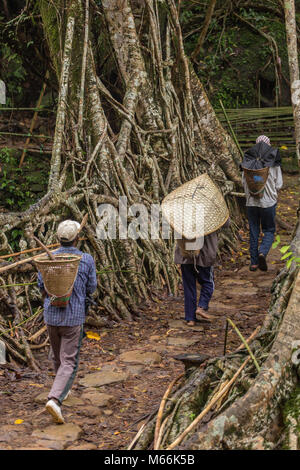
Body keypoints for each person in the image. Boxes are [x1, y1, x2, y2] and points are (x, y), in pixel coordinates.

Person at [37, 220, 97, 424]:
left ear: (57, 238)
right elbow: (92, 287)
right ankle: (55, 399)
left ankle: (62, 389)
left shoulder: (48, 258)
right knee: (69, 360)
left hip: (51, 316)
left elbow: (40, 285)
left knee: (57, 356)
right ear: (77, 238)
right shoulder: (86, 259)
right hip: (74, 317)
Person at [175, 220, 229, 327]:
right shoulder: (213, 210)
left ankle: (190, 319)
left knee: (189, 286)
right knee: (208, 283)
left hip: (185, 255)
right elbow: (226, 224)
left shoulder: (181, 210)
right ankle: (202, 307)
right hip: (204, 256)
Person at [241, 135, 283, 272]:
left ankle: (253, 263)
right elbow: (279, 185)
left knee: (253, 230)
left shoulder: (247, 163)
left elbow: (243, 183)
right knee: (269, 230)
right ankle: (262, 253)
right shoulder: (273, 163)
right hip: (268, 203)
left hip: (251, 203)